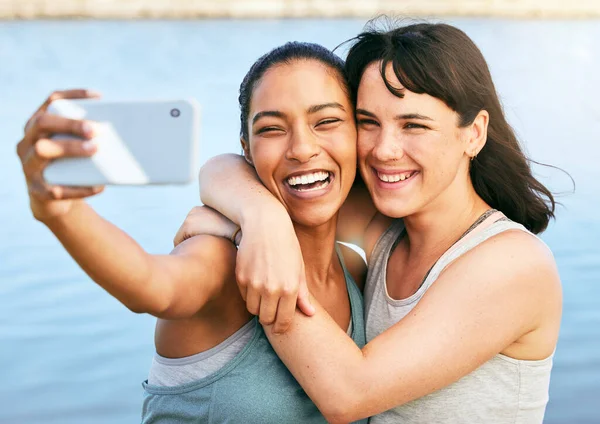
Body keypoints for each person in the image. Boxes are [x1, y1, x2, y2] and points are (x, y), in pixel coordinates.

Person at [176, 22, 563, 423]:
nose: (384, 150)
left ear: (474, 133)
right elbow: (228, 167)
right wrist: (261, 218)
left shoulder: (514, 264)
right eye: (368, 122)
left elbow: (348, 393)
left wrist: (244, 236)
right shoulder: (388, 230)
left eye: (413, 125)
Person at [15, 42, 368, 423]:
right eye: (271, 129)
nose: (302, 148)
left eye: (327, 122)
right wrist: (61, 211)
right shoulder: (219, 261)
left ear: (359, 134)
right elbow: (152, 283)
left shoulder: (356, 270)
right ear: (246, 151)